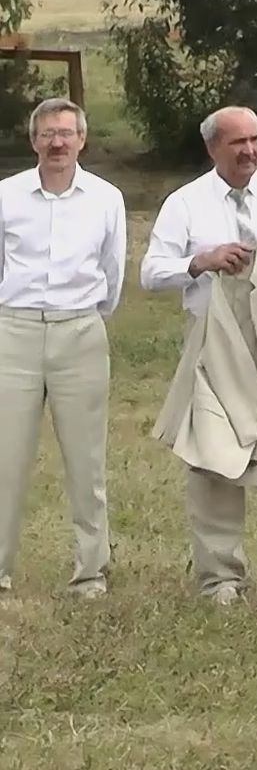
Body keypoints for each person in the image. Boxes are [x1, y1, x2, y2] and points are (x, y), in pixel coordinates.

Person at [142, 105, 257, 608]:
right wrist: (199, 262)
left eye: (254, 140)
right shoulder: (185, 203)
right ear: (212, 148)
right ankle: (220, 579)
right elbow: (151, 273)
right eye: (237, 143)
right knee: (212, 459)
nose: (249, 150)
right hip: (214, 347)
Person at [0, 98, 125, 599]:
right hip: (15, 332)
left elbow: (112, 273)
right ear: (34, 141)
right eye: (48, 133)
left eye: (66, 133)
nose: (57, 142)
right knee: (6, 458)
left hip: (80, 331)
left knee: (86, 460)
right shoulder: (7, 195)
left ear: (82, 140)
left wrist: (83, 318)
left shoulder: (106, 198)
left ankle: (90, 573)